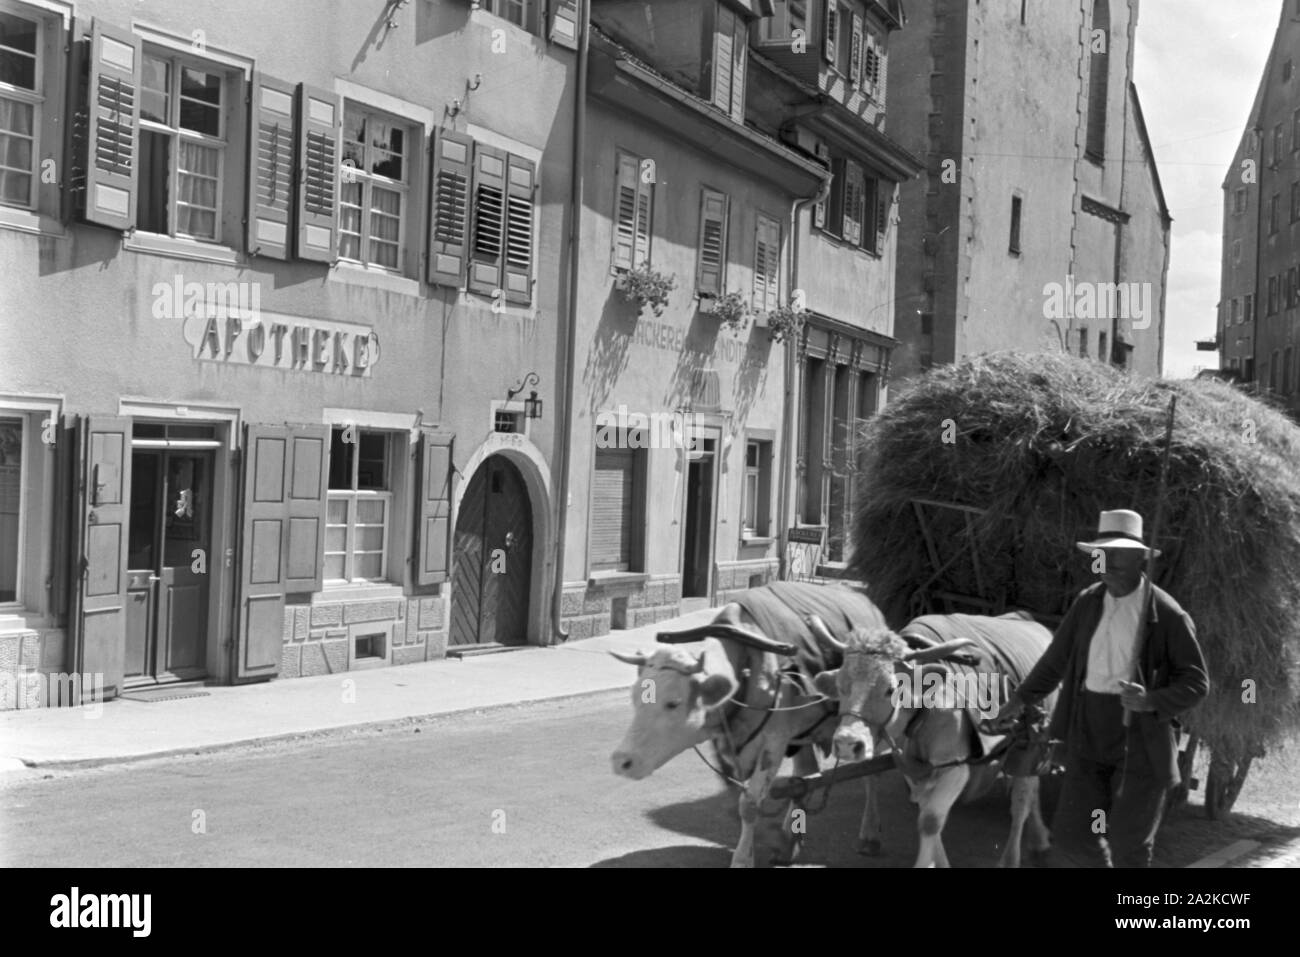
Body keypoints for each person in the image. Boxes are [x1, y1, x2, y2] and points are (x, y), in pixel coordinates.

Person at [997, 509, 1209, 867]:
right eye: (1103, 552)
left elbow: (1197, 682)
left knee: (1129, 844)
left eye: (1119, 552)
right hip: (1087, 732)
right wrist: (1020, 699)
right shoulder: (1088, 603)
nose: (1108, 560)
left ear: (1141, 557)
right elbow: (1055, 661)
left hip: (1140, 741)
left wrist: (1150, 700)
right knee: (1074, 834)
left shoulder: (1166, 614)